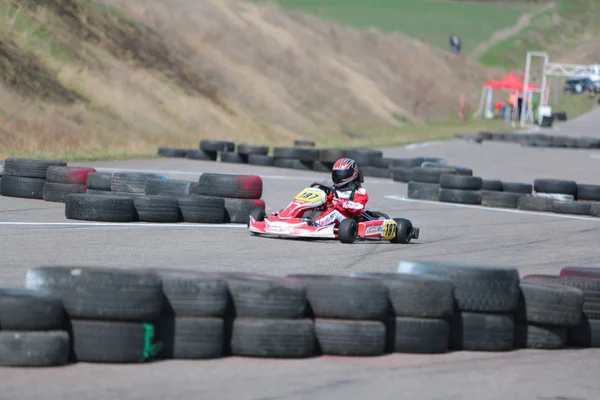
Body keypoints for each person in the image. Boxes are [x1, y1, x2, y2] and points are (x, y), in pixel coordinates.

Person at [309, 158, 369, 227]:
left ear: (353, 174)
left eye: (342, 174)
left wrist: (343, 203)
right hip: (331, 215)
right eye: (337, 174)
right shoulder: (333, 188)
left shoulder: (359, 191)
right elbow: (328, 204)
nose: (339, 176)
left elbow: (359, 207)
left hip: (346, 220)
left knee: (334, 212)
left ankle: (315, 225)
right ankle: (298, 219)